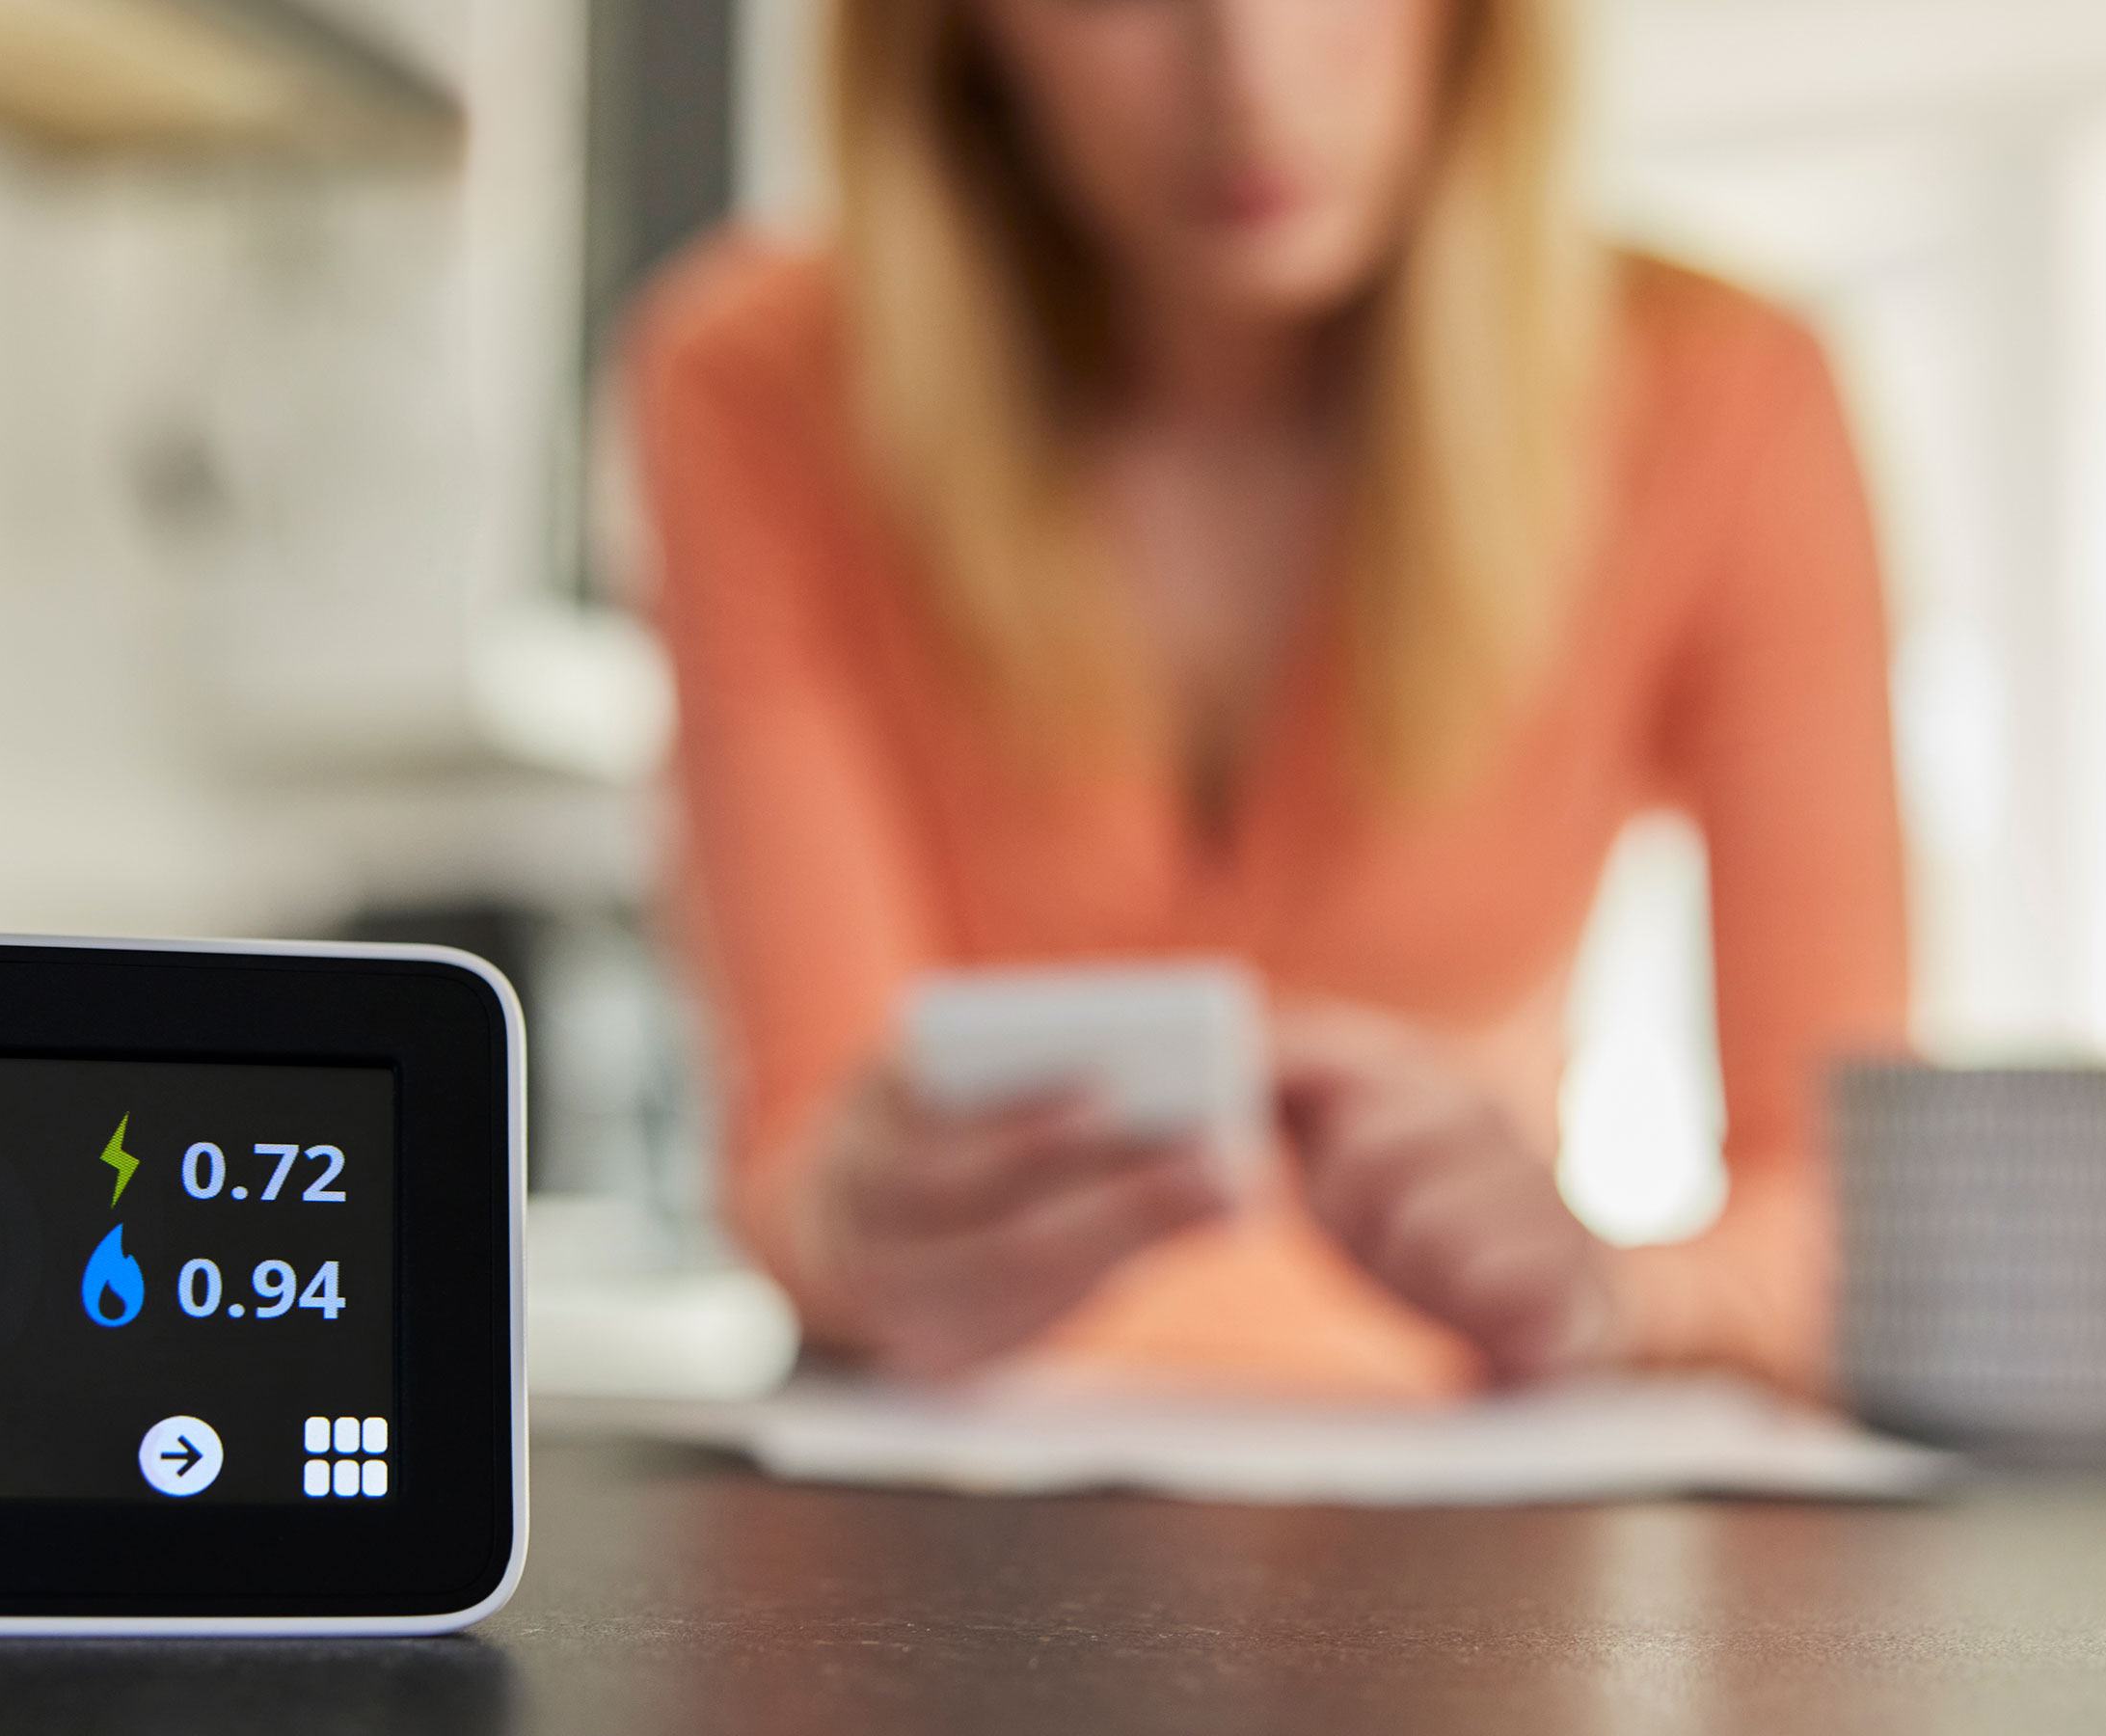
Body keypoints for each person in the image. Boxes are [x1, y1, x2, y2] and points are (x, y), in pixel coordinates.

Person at [630, 0, 1906, 1400]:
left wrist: (1615, 1294)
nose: (1245, 73)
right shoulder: (753, 385)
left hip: (1471, 1490)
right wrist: (853, 1221)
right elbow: (797, 1150)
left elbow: (1844, 1212)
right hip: (950, 1497)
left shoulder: (1726, 395)